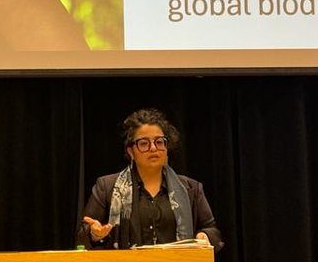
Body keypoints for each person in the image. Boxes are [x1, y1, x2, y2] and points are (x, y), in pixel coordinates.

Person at [77, 108, 224, 252]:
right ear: (131, 151)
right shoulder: (107, 187)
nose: (153, 148)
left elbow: (213, 231)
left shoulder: (191, 188)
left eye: (159, 142)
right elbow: (82, 236)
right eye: (144, 143)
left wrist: (204, 236)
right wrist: (94, 234)